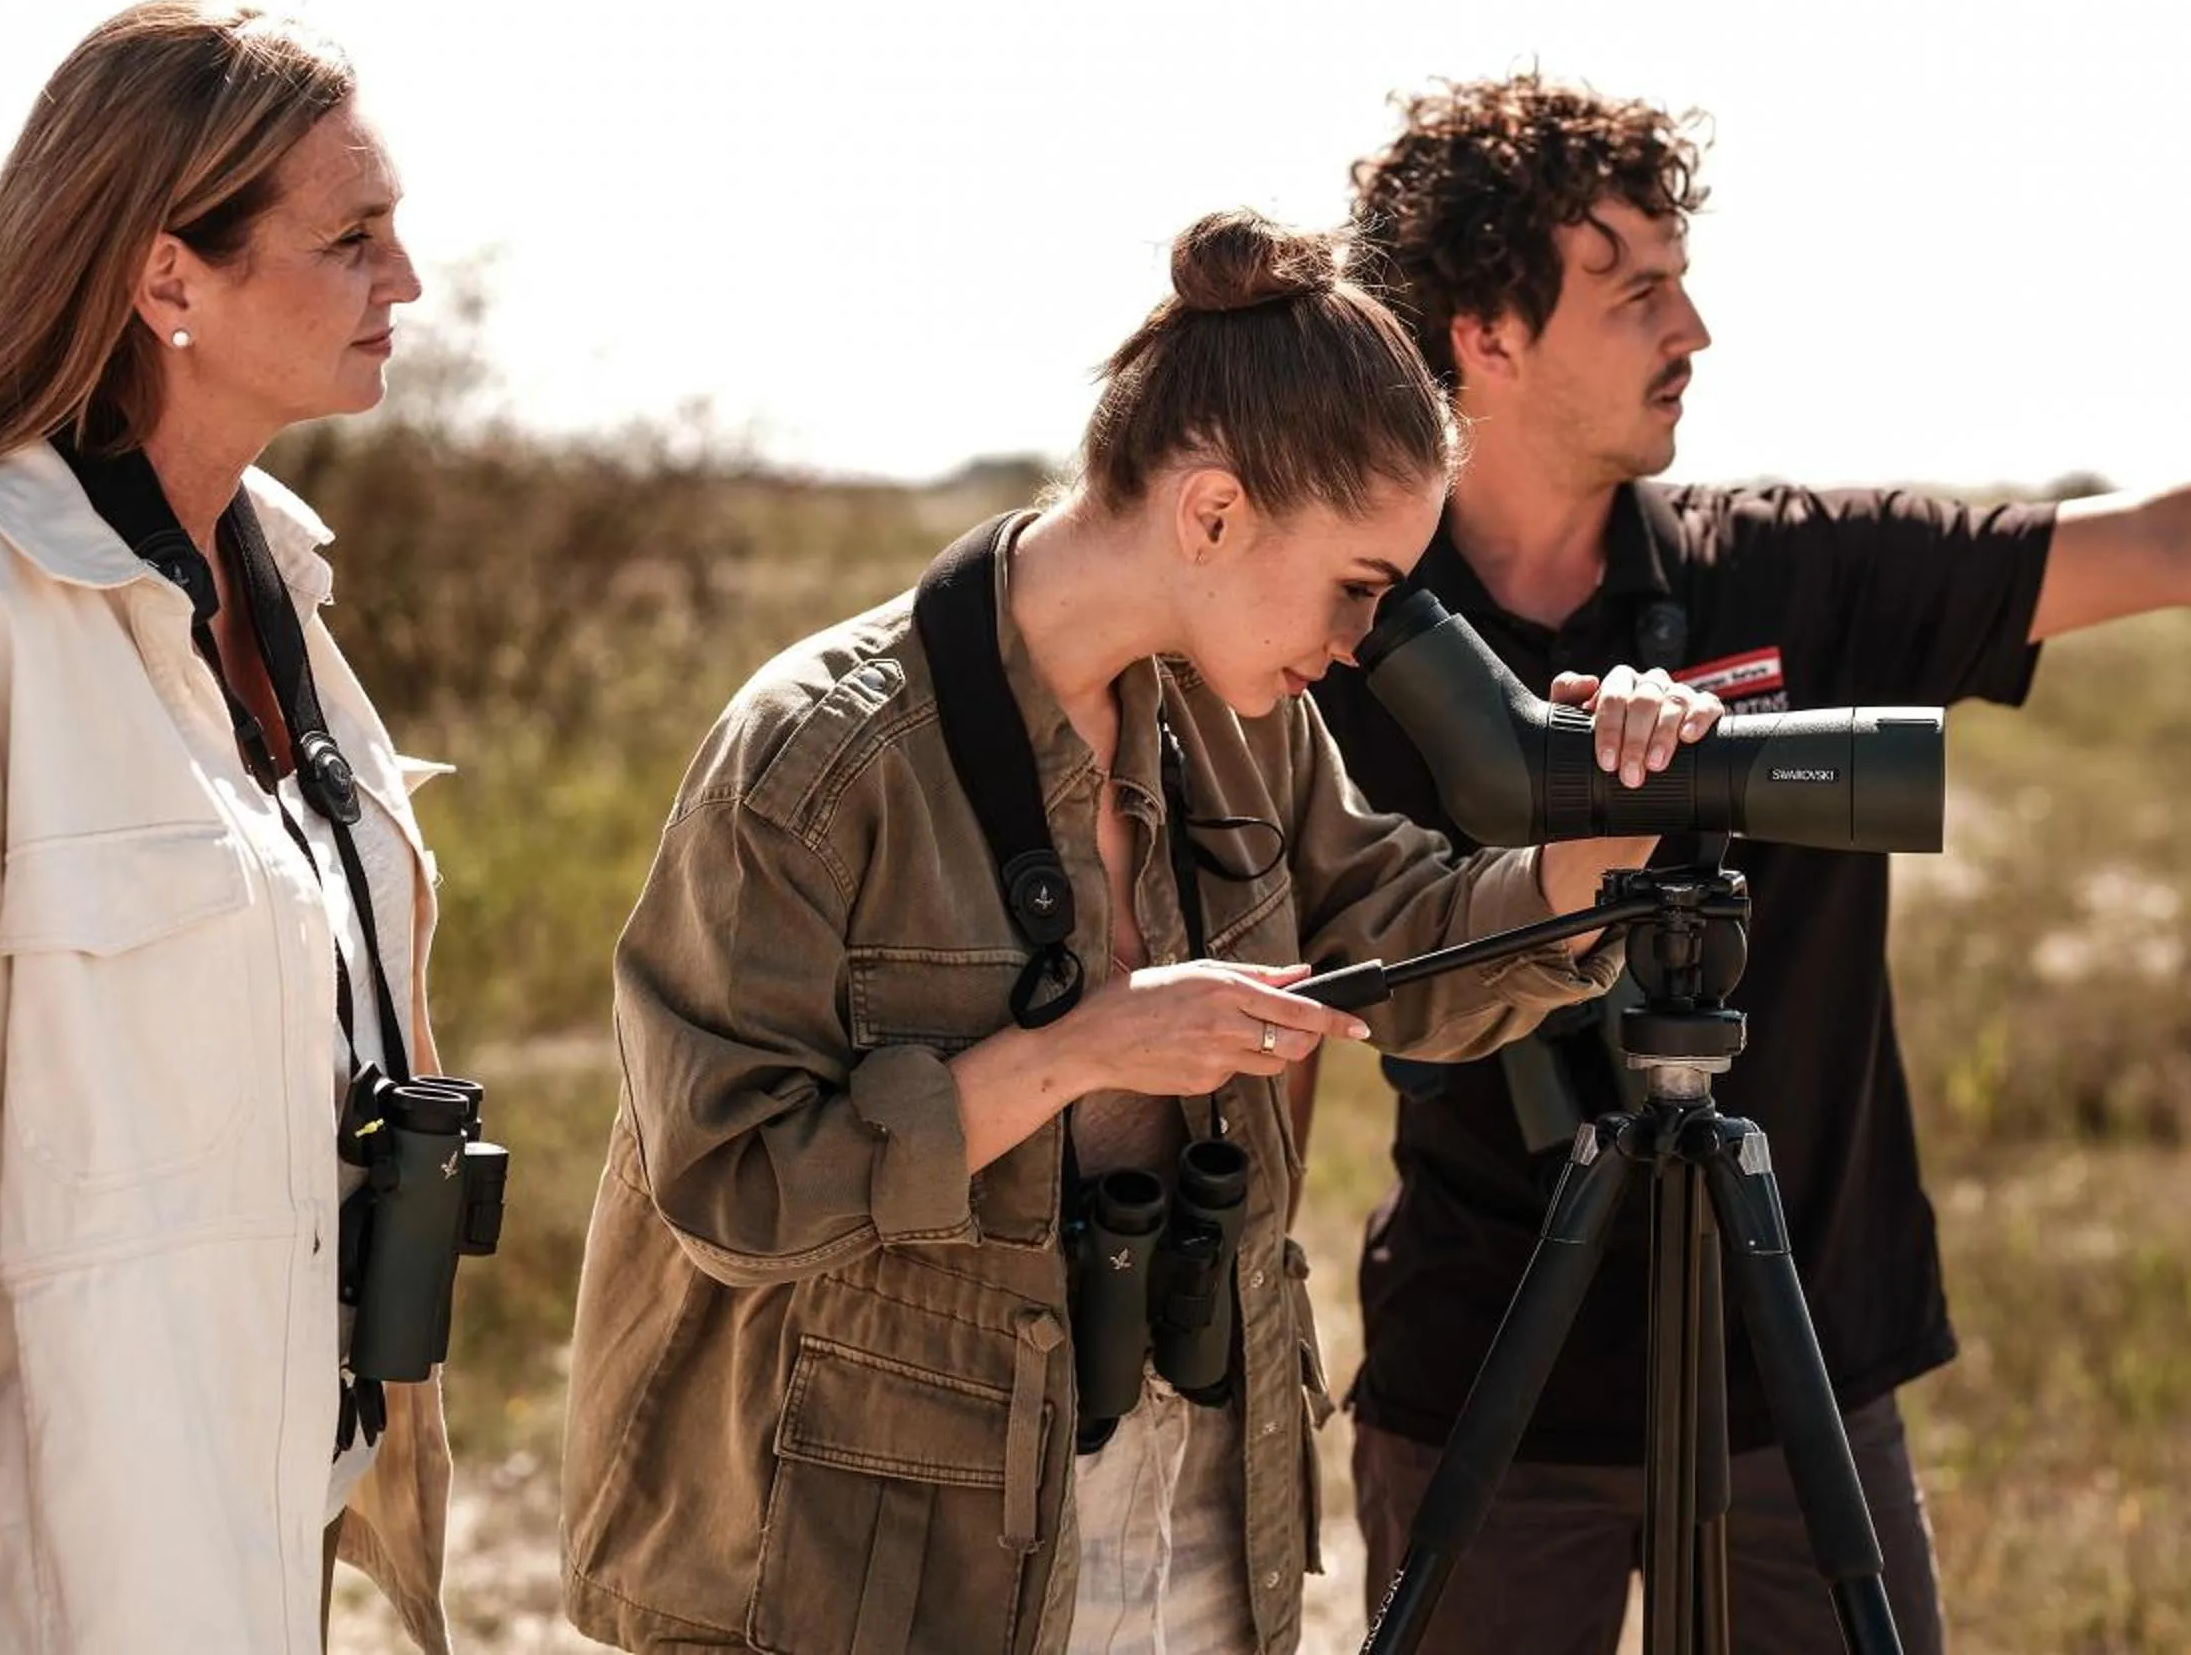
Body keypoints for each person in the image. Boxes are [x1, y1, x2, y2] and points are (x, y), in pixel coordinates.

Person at [1312, 69, 2191, 1654]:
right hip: (1488, 1381)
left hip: (1798, 1375)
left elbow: (2166, 543)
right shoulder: (1350, 629)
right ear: (1485, 335)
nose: (1695, 331)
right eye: (1640, 291)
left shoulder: (1789, 566)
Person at [557, 211, 1727, 1655]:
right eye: (1359, 584)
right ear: (1213, 512)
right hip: (898, 1555)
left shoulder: (1248, 726)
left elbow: (1411, 935)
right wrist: (1071, 1053)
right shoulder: (819, 759)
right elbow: (730, 1184)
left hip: (1193, 1510)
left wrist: (1589, 856)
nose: (1365, 637)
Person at [0, 0, 456, 1653]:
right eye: (352, 238)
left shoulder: (278, 581)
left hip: (254, 1555)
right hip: (36, 1593)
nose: (406, 283)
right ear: (168, 282)